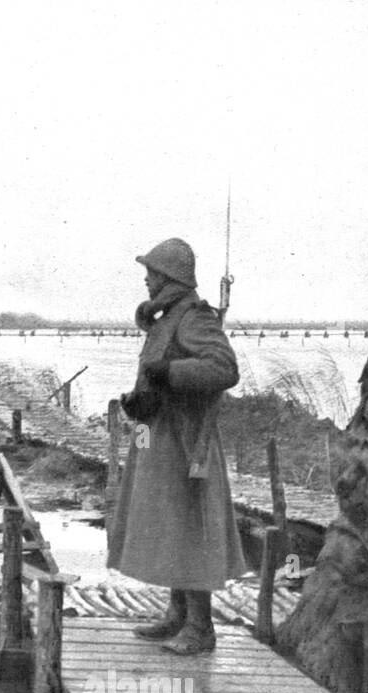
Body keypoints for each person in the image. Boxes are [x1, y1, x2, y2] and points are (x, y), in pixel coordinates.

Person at [106, 238, 246, 654]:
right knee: (171, 525)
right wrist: (139, 396)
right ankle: (177, 615)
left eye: (151, 272)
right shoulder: (170, 316)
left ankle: (201, 628)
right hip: (162, 435)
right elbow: (156, 374)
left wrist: (168, 372)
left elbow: (224, 368)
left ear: (169, 277)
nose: (146, 280)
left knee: (189, 528)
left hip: (186, 441)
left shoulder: (194, 317)